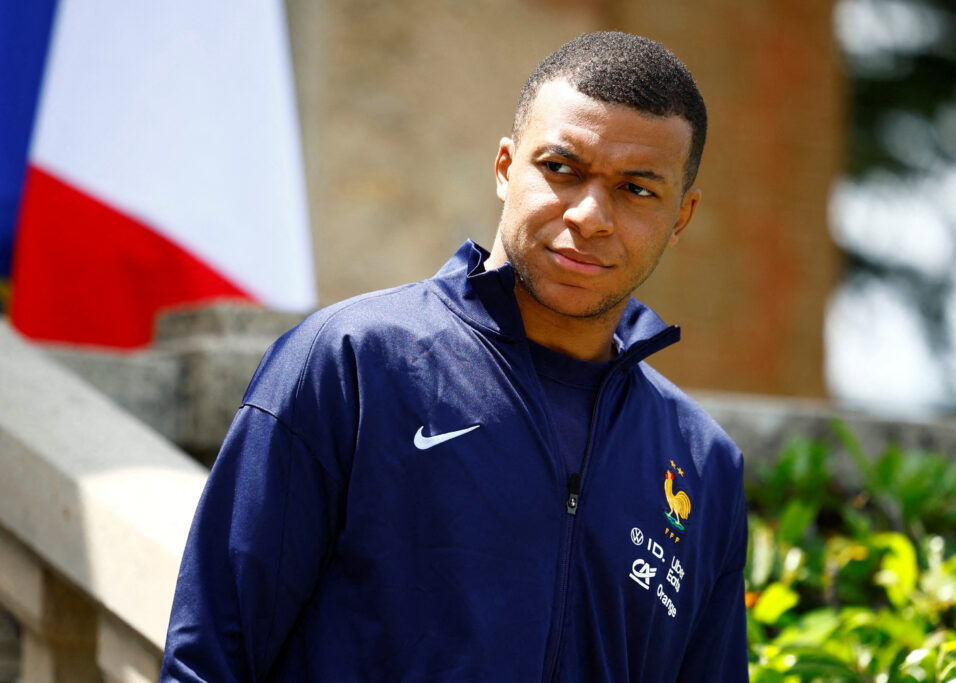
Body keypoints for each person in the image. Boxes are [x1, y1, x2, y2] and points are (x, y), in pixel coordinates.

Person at [161, 31, 748, 682]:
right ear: (505, 167)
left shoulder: (702, 465)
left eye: (636, 189)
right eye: (561, 168)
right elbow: (210, 658)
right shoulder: (353, 362)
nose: (589, 214)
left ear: (682, 215)